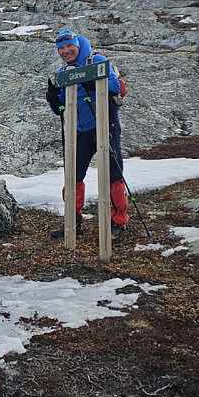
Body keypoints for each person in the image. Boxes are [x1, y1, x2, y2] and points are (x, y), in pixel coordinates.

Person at [46, 29, 129, 240]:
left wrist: (88, 81)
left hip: (105, 125)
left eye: (69, 47)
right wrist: (53, 99)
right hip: (79, 130)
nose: (65, 51)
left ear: (78, 45)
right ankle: (73, 220)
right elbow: (61, 107)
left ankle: (118, 222)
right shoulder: (64, 71)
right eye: (61, 48)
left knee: (113, 175)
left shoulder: (96, 60)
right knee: (73, 175)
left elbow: (113, 85)